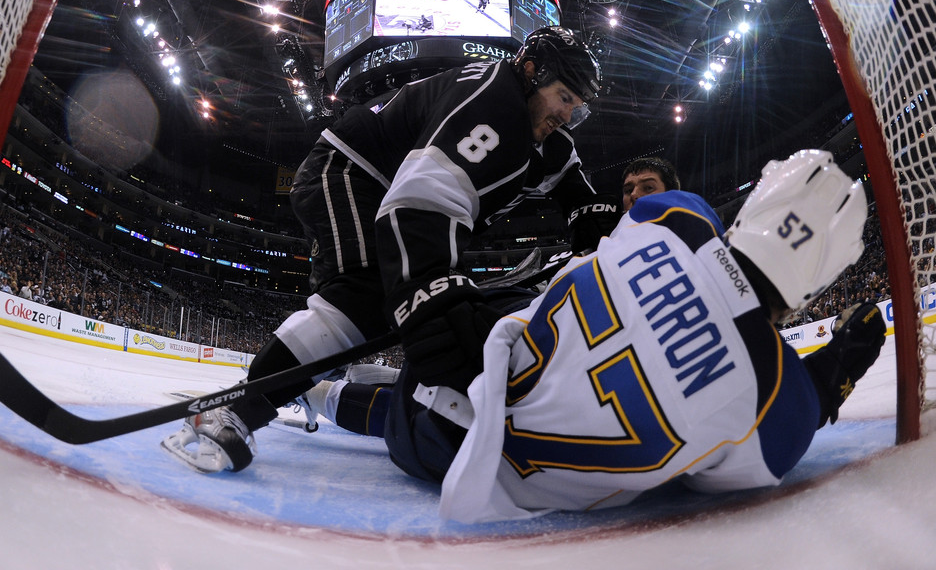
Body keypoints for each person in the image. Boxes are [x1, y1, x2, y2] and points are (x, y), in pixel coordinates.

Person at [295, 150, 887, 522]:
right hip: (472, 461)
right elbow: (717, 477)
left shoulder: (677, 216)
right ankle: (320, 397)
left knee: (426, 397)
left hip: (472, 366)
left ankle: (314, 390)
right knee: (416, 419)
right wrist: (831, 379)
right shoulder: (780, 409)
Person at [161, 26, 620, 474]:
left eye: (577, 110)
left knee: (372, 306)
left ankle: (293, 383)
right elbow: (417, 207)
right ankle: (233, 409)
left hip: (376, 186)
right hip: (352, 174)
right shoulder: (495, 104)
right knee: (364, 296)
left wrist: (600, 233)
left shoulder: (545, 136)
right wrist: (432, 293)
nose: (566, 115)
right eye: (564, 98)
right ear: (532, 72)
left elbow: (575, 190)